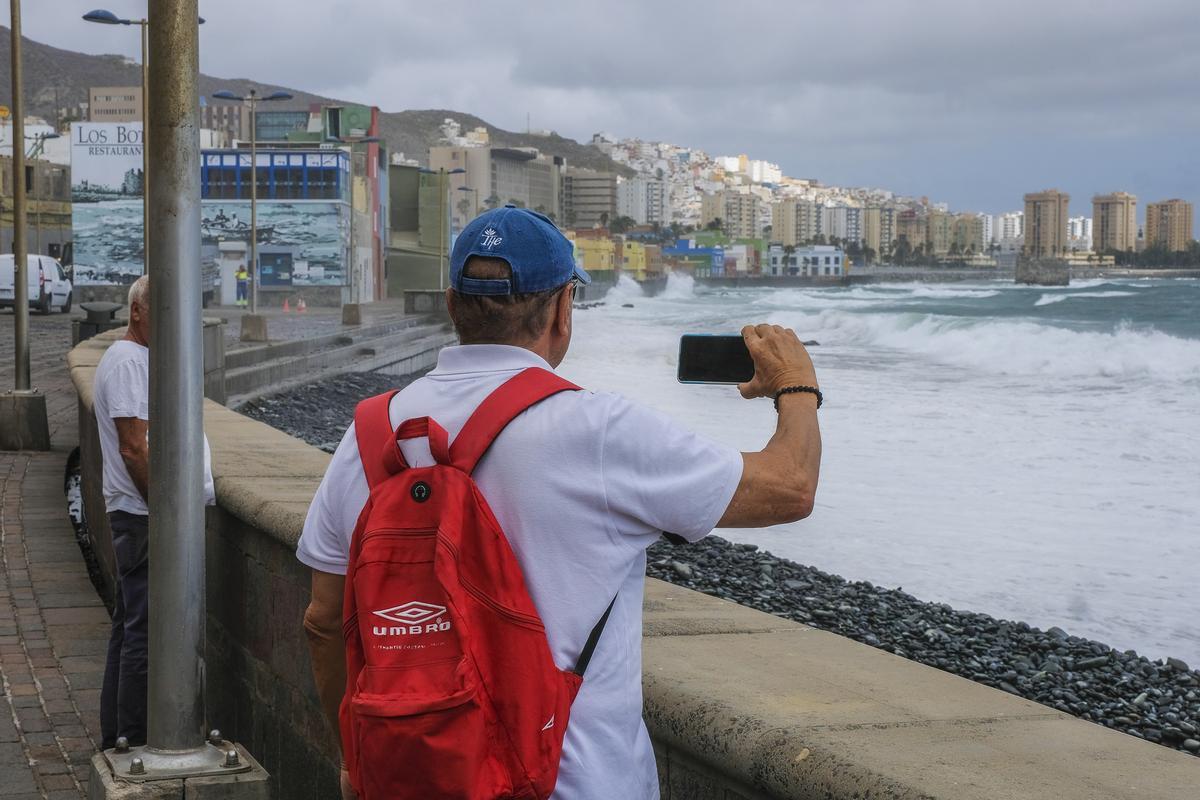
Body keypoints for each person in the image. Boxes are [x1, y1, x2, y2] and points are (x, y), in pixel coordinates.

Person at [299, 206, 821, 799]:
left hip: (413, 781)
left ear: (452, 306)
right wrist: (797, 386)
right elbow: (789, 487)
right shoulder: (598, 430)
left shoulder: (370, 433)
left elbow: (323, 620)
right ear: (562, 310)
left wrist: (355, 760)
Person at [93, 275, 216, 750]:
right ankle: (132, 738)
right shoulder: (127, 361)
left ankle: (116, 737)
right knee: (143, 633)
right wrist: (167, 515)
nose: (172, 322)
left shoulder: (138, 359)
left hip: (141, 516)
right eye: (162, 310)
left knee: (130, 628)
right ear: (137, 312)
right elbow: (133, 447)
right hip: (144, 519)